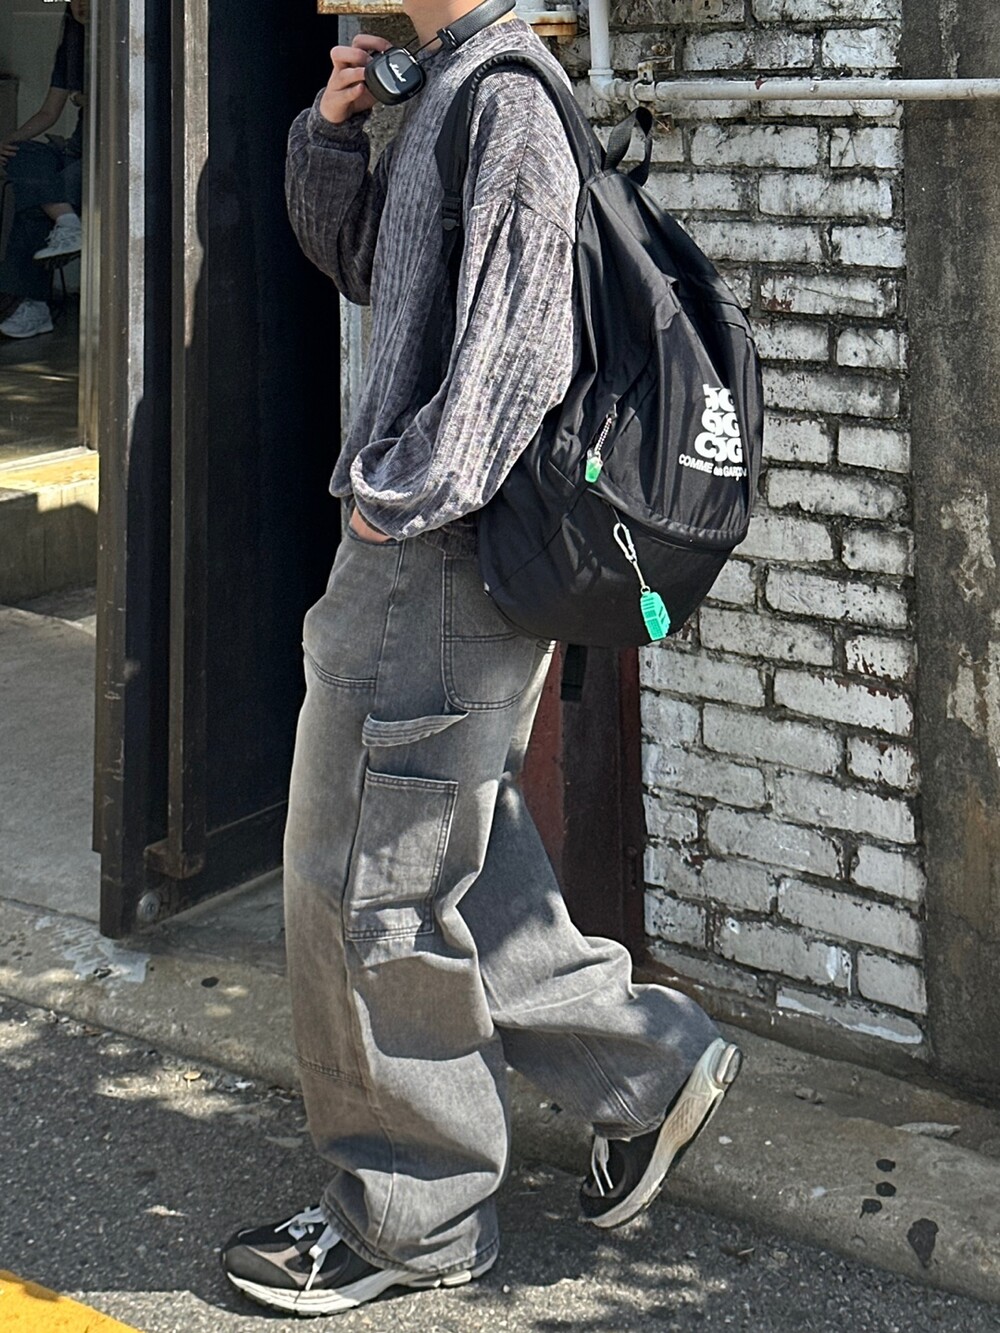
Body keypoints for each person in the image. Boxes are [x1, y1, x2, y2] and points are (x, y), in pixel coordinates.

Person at [220, 0, 742, 1316]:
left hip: (435, 559)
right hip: (433, 552)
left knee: (363, 884)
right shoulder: (450, 84)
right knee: (458, 850)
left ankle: (416, 1211)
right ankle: (644, 1067)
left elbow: (519, 349)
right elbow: (380, 277)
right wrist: (331, 135)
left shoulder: (502, 97)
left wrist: (399, 495)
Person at [0, 0, 87, 340]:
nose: (82, 4)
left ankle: (32, 305)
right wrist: (8, 139)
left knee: (36, 204)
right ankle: (68, 223)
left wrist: (83, 98)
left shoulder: (121, 43)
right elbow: (49, 113)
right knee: (20, 154)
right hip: (74, 149)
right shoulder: (72, 46)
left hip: (105, 156)